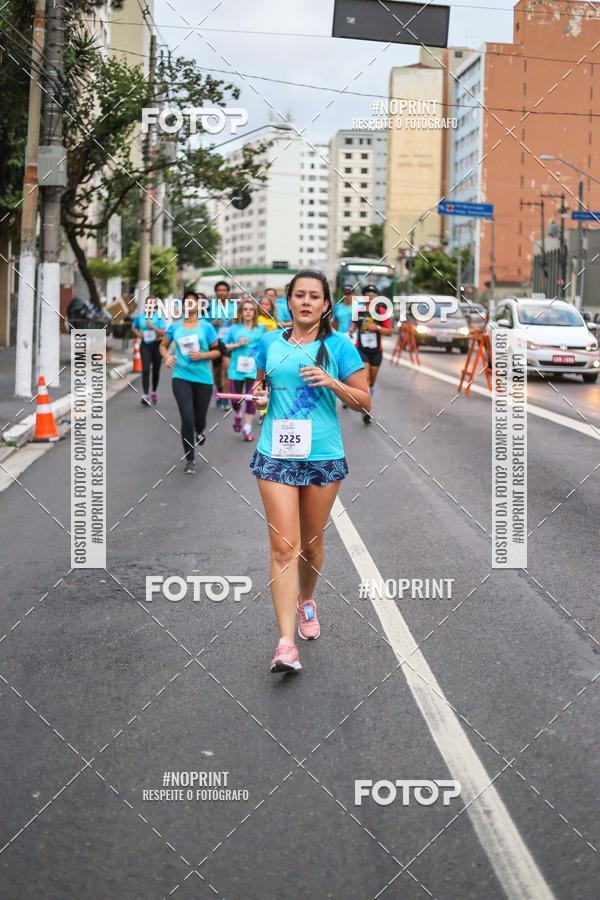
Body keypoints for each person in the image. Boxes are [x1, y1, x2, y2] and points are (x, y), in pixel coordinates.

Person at [250, 269, 371, 674]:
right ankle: (285, 643)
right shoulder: (268, 342)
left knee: (311, 546)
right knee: (285, 546)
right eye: (298, 295)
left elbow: (364, 403)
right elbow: (261, 388)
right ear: (288, 300)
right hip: (275, 454)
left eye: (314, 296)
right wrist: (260, 396)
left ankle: (306, 600)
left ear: (325, 304)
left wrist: (332, 382)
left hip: (322, 455)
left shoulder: (340, 346)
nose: (305, 302)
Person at [160, 291, 221, 474]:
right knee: (187, 418)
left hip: (203, 378)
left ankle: (200, 430)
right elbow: (162, 346)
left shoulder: (206, 327)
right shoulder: (175, 327)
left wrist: (203, 355)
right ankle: (190, 459)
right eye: (186, 302)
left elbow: (218, 351)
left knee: (199, 419)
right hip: (181, 376)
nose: (189, 304)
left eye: (193, 301)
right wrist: (167, 357)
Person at [349, 284, 393, 425]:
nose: (370, 296)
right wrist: (351, 330)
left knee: (372, 382)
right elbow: (354, 324)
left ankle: (367, 401)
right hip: (361, 349)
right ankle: (366, 409)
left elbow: (389, 331)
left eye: (373, 294)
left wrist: (377, 328)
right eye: (367, 293)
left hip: (376, 351)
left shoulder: (381, 311)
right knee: (366, 379)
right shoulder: (359, 310)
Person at [224, 298, 265, 442]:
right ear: (241, 312)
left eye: (251, 309)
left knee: (250, 398)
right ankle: (238, 415)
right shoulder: (234, 329)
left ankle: (247, 428)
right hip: (236, 369)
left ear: (255, 313)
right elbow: (223, 346)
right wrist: (236, 344)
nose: (248, 312)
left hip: (253, 370)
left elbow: (265, 348)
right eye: (245, 309)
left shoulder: (260, 329)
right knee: (235, 400)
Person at [131, 296, 167, 406]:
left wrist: (152, 326)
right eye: (148, 304)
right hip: (145, 345)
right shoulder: (141, 316)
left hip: (157, 345)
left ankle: (154, 391)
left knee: (156, 370)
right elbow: (134, 327)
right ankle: (145, 395)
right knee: (145, 370)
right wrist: (138, 334)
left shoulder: (159, 316)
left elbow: (163, 333)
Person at [209, 280, 236, 408]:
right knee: (217, 372)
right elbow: (203, 323)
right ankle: (219, 392)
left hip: (228, 342)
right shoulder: (210, 306)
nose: (221, 293)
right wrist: (213, 323)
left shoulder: (233, 307)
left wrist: (234, 322)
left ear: (227, 292)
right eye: (219, 290)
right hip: (215, 342)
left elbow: (239, 322)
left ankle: (225, 398)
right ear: (216, 292)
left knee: (226, 370)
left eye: (224, 290)